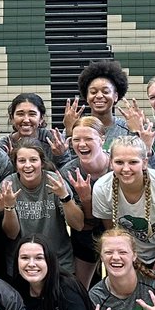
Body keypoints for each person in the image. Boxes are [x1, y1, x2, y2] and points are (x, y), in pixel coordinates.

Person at [91, 136, 155, 286]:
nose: (126, 169)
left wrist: (153, 273)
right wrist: (132, 263)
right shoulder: (101, 188)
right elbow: (111, 230)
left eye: (133, 162)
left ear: (144, 163)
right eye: (119, 162)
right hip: (131, 251)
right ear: (110, 162)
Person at [0, 138, 81, 280]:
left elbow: (78, 225)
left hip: (58, 261)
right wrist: (9, 206)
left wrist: (64, 197)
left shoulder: (54, 181)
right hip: (22, 264)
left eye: (33, 160)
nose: (27, 166)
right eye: (22, 161)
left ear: (42, 163)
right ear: (16, 164)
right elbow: (11, 234)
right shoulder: (8, 184)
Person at [58, 115, 110, 288]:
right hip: (85, 238)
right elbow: (81, 225)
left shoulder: (118, 165)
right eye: (76, 139)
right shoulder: (69, 172)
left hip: (118, 235)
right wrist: (86, 200)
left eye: (88, 139)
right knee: (80, 289)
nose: (81, 144)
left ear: (102, 139)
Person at [61, 59, 134, 148]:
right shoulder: (74, 127)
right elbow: (68, 161)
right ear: (86, 96)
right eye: (93, 92)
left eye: (106, 91)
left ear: (116, 96)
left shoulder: (127, 129)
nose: (99, 96)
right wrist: (70, 131)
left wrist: (136, 131)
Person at [0, 92, 70, 167]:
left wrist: (60, 155)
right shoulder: (2, 146)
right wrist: (9, 163)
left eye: (32, 114)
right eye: (20, 114)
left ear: (41, 118)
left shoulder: (53, 140)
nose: (26, 120)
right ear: (12, 118)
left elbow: (68, 172)